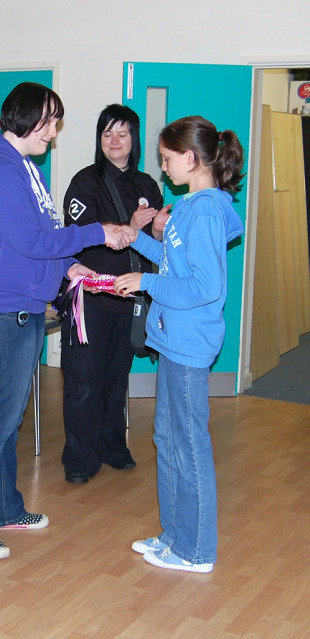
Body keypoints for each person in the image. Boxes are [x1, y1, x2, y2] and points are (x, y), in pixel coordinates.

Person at [0, 82, 129, 560]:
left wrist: (70, 268)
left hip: (22, 304)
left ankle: (5, 507)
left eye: (55, 122)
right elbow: (31, 241)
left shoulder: (24, 166)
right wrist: (97, 232)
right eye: (49, 122)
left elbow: (44, 235)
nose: (53, 132)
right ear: (26, 119)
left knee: (9, 417)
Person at [114, 115, 245, 573]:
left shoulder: (205, 210)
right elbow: (173, 260)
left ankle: (197, 550)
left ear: (191, 159)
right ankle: (174, 536)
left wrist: (146, 282)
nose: (163, 167)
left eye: (167, 159)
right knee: (167, 438)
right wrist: (136, 239)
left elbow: (205, 286)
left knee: (188, 445)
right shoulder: (190, 205)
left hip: (189, 345)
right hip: (174, 340)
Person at [60, 104, 166, 484]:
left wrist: (156, 230)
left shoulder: (147, 185)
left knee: (116, 377)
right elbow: (81, 239)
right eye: (108, 133)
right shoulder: (84, 183)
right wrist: (128, 225)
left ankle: (112, 446)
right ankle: (80, 458)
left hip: (130, 298)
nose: (115, 140)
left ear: (134, 139)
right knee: (83, 379)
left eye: (122, 133)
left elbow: (155, 245)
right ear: (99, 139)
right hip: (90, 299)